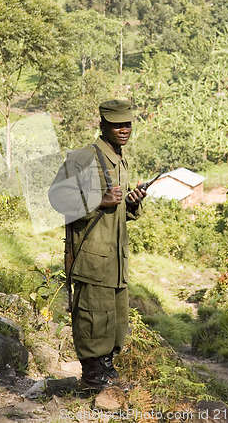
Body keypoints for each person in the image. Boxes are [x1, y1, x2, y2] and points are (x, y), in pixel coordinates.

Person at [49, 99, 146, 391]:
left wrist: (131, 203)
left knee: (114, 318)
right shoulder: (84, 158)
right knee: (93, 316)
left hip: (115, 258)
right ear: (102, 125)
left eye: (127, 124)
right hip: (92, 258)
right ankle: (93, 377)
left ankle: (106, 370)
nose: (124, 129)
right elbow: (56, 198)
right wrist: (99, 200)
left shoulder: (118, 158)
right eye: (117, 125)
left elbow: (114, 214)